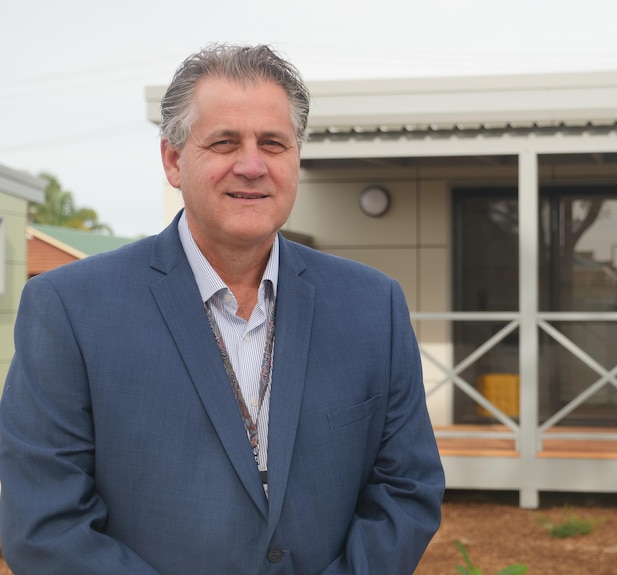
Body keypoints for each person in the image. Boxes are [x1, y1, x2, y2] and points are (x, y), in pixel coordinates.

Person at [0, 43, 445, 575]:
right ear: (173, 159)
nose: (252, 165)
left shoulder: (375, 305)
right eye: (225, 142)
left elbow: (407, 490)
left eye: (274, 143)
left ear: (296, 158)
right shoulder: (70, 308)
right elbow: (43, 524)